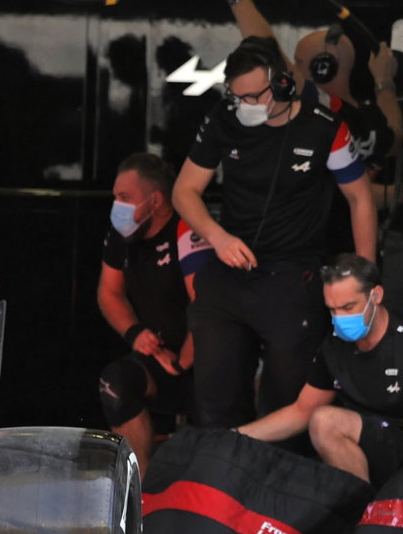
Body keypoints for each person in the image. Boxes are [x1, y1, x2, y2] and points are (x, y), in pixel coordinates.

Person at [173, 36, 375, 429]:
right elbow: (184, 191)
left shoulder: (324, 128)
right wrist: (217, 237)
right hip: (229, 269)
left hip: (291, 276)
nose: (243, 106)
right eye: (237, 97)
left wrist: (363, 275)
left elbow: (361, 199)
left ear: (282, 84)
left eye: (252, 96)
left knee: (284, 403)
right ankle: (218, 481)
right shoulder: (222, 118)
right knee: (214, 396)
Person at [227, 1, 400, 255]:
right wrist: (384, 81)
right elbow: (395, 133)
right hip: (357, 261)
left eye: (298, 62)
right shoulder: (371, 122)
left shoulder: (324, 113)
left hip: (314, 260)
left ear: (324, 65)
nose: (294, 70)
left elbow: (269, 53)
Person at [238, 254, 403, 486]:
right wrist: (237, 435)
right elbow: (302, 411)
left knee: (326, 420)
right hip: (364, 447)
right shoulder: (334, 346)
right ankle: (359, 511)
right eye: (332, 310)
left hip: (396, 445)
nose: (340, 318)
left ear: (376, 295)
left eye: (348, 307)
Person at [96, 153, 212, 477]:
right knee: (114, 384)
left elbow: (205, 306)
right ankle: (140, 493)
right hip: (160, 357)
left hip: (206, 360)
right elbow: (109, 293)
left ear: (156, 200)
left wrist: (182, 361)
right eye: (115, 197)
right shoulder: (122, 235)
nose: (117, 206)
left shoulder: (187, 230)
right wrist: (135, 334)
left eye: (124, 197)